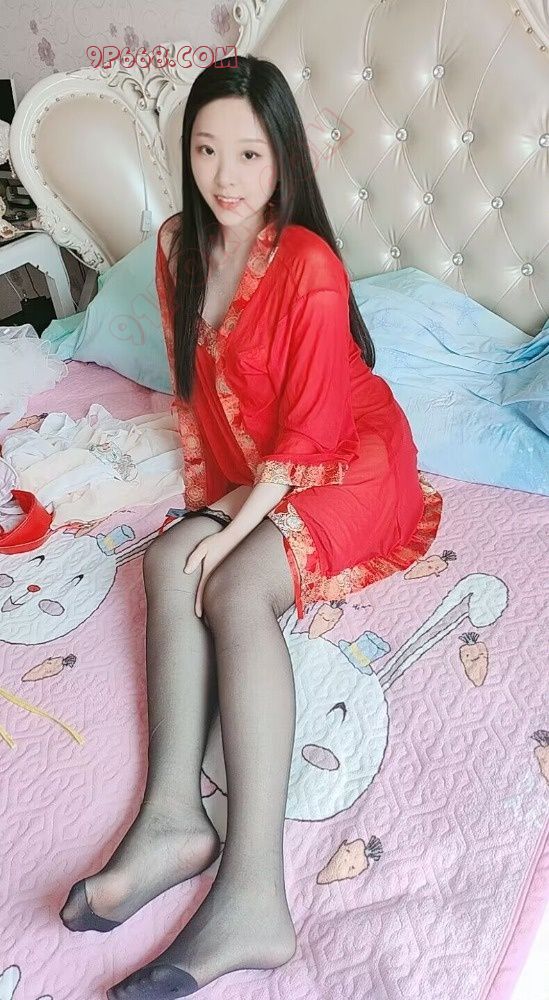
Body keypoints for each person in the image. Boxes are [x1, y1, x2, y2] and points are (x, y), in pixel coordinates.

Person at [59, 54, 443, 998]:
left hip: (350, 456)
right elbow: (206, 398)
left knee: (230, 584)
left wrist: (229, 536)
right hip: (263, 463)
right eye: (205, 150)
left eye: (248, 155)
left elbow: (310, 431)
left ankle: (254, 896)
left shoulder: (308, 265)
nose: (225, 178)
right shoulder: (175, 246)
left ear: (282, 161)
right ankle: (171, 820)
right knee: (165, 563)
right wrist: (208, 514)